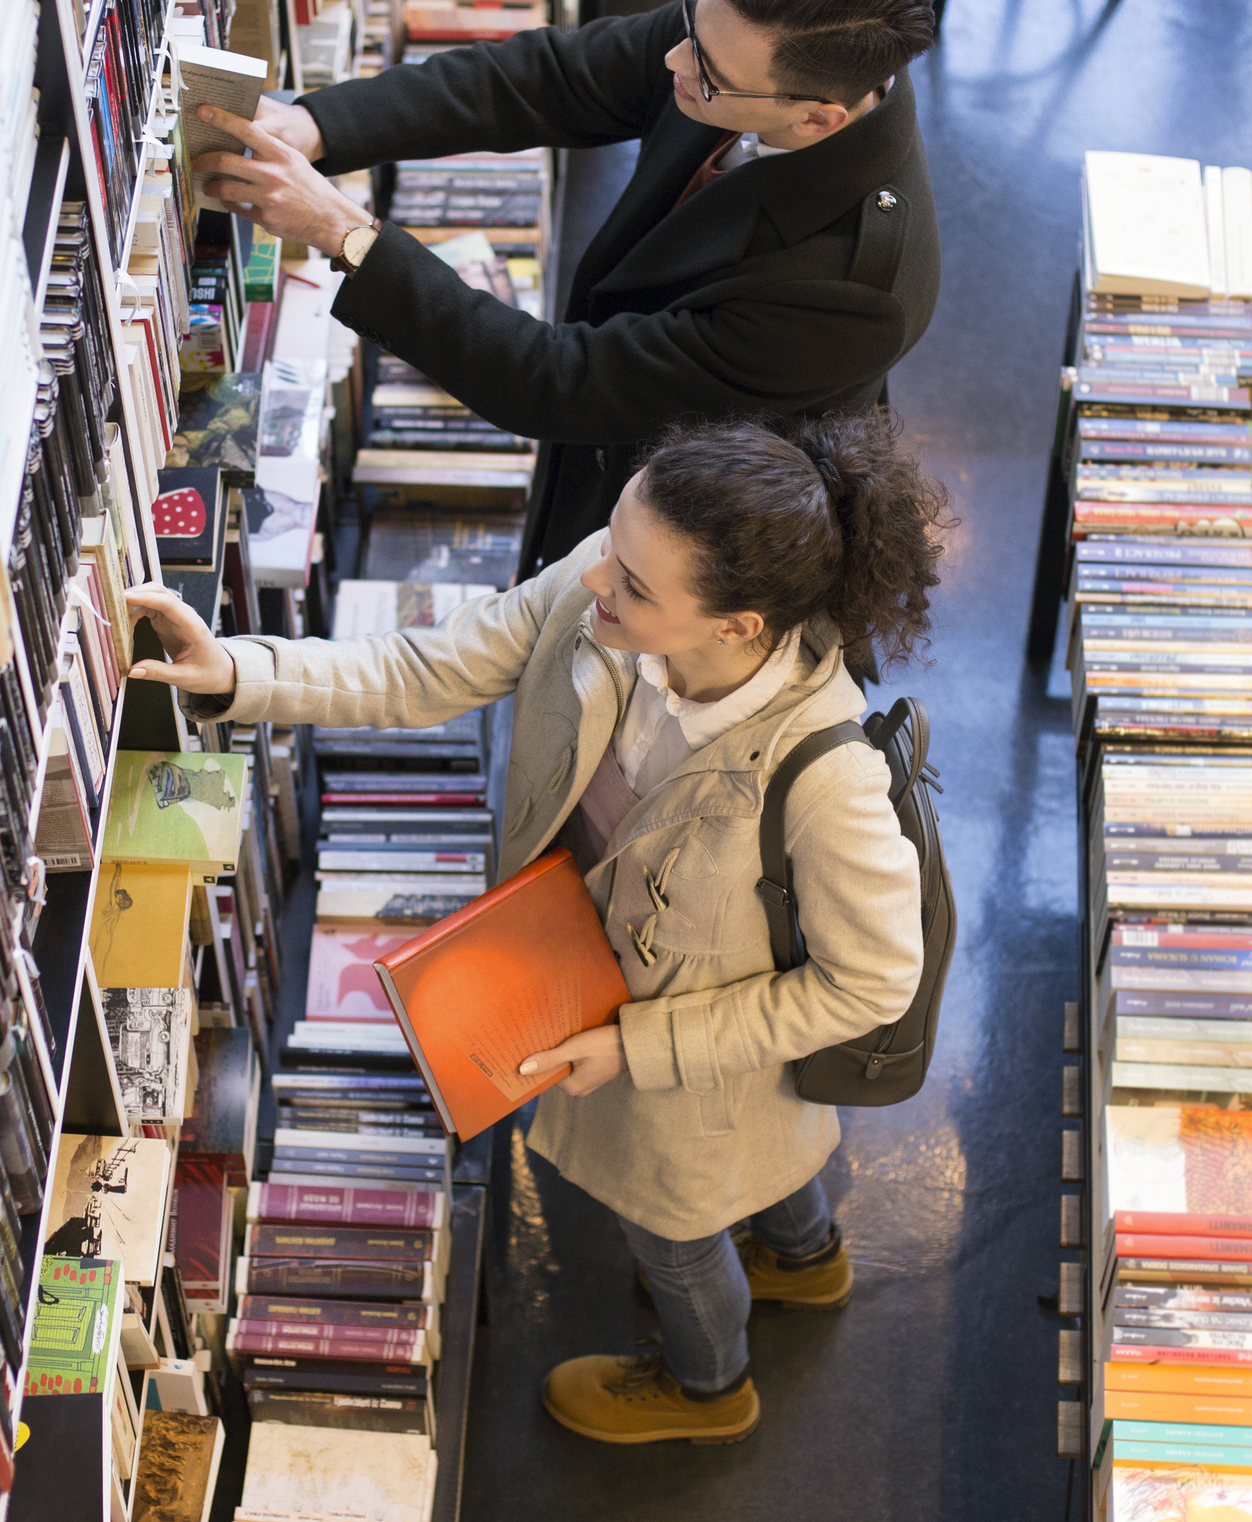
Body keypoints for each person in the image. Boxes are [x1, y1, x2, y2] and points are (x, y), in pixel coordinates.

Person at [124, 408, 949, 1445]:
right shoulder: (597, 588)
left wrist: (639, 1046)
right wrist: (243, 673)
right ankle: (806, 1256)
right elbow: (429, 669)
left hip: (686, 1070)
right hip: (589, 978)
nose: (596, 580)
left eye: (636, 587)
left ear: (737, 625)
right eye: (611, 543)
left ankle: (709, 1386)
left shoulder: (826, 782)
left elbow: (870, 984)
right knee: (765, 1177)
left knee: (675, 1234)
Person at [187, 0, 941, 578]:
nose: (674, 61)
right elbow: (549, 79)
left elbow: (559, 381)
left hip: (694, 562)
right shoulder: (736, 41)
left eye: (705, 74)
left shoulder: (853, 293)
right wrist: (320, 126)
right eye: (687, 23)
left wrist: (344, 233)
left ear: (817, 120)